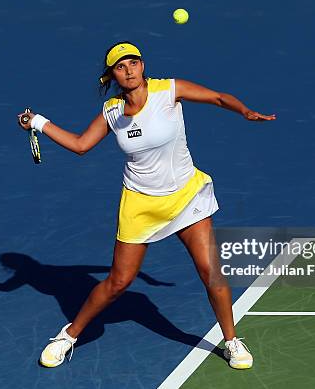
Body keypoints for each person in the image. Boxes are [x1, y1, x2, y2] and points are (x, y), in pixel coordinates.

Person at [17, 41, 276, 370]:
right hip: (140, 203)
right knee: (118, 282)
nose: (129, 71)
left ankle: (231, 341)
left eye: (133, 63)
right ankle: (68, 336)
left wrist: (244, 111)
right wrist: (38, 121)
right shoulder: (111, 111)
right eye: (120, 67)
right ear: (112, 75)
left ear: (142, 65)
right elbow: (81, 145)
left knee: (211, 271)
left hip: (186, 195)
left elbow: (218, 97)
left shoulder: (169, 90)